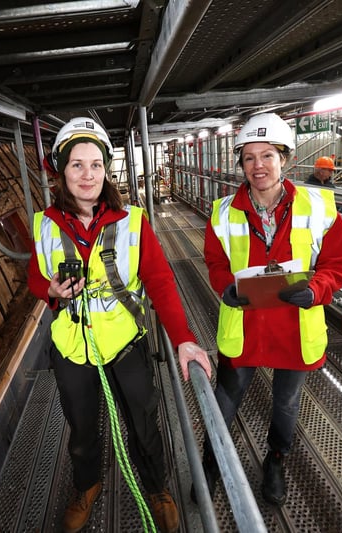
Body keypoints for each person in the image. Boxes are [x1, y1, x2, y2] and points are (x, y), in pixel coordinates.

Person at [27, 117, 211, 533]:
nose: (87, 175)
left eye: (95, 165)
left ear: (106, 170)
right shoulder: (43, 224)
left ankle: (155, 487)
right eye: (77, 165)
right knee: (80, 424)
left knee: (144, 422)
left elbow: (161, 281)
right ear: (61, 171)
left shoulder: (131, 221)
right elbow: (34, 279)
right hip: (73, 346)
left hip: (125, 343)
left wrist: (183, 339)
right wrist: (52, 291)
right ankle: (87, 485)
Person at [198, 113, 342, 506]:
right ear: (241, 164)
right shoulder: (223, 212)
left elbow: (339, 262)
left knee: (285, 404)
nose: (258, 166)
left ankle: (276, 460)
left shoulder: (318, 206)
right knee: (225, 401)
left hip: (295, 326)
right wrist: (225, 287)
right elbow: (216, 262)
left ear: (284, 158)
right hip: (245, 323)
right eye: (249, 157)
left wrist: (317, 289)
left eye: (267, 155)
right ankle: (211, 465)